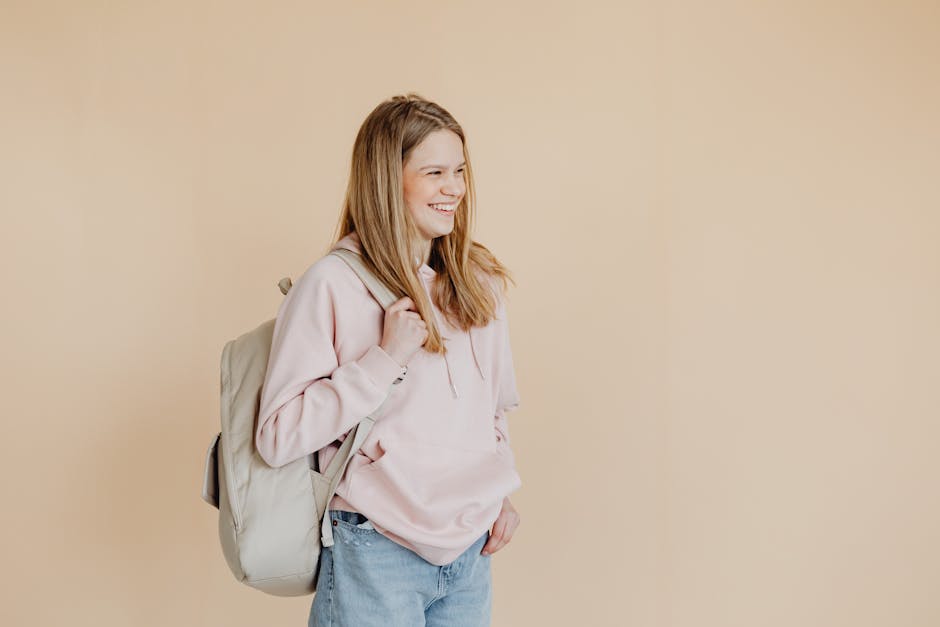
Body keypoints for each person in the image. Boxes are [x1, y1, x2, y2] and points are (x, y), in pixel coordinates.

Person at [255, 94, 523, 627]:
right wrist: (383, 359)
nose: (455, 189)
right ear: (386, 178)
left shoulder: (477, 284)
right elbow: (278, 435)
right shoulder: (332, 284)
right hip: (375, 549)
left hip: (469, 553)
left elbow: (491, 412)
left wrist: (499, 495)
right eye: (435, 172)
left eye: (460, 171)